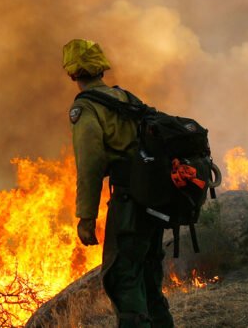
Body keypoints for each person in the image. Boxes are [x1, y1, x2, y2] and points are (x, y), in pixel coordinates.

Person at [63, 39, 174, 328]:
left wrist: (86, 217)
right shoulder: (125, 98)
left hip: (129, 203)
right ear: (101, 67)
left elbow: (90, 165)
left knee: (123, 277)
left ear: (72, 74)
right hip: (154, 202)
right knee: (149, 277)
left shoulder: (87, 109)